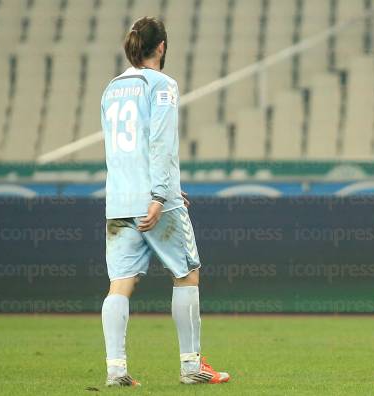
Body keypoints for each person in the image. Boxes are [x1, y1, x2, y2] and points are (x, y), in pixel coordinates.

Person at [100, 17, 229, 387]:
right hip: (155, 198)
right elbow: (160, 140)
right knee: (186, 273)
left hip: (119, 199)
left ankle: (116, 370)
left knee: (120, 284)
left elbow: (120, 149)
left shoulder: (111, 89)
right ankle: (191, 367)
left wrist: (162, 185)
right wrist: (161, 193)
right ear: (161, 47)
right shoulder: (163, 85)